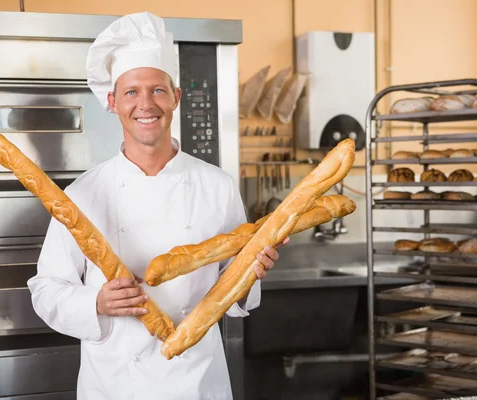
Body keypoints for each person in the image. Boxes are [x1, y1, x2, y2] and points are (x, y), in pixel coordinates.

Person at [27, 11, 288, 400]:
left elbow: (232, 288)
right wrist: (95, 301)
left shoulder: (217, 186)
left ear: (176, 98)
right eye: (131, 92)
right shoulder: (82, 194)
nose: (145, 104)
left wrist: (249, 276)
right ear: (113, 102)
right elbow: (46, 290)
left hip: (197, 381)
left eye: (158, 90)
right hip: (114, 384)